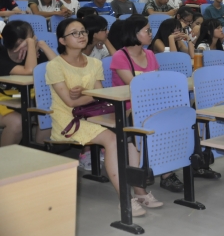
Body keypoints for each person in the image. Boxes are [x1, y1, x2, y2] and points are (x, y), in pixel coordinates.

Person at [47, 18, 163, 216]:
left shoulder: (94, 63)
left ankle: (140, 191)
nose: (81, 36)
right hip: (69, 120)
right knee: (112, 139)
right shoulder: (55, 65)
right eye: (74, 33)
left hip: (93, 114)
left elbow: (101, 95)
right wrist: (89, 94)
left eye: (83, 31)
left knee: (130, 133)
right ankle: (124, 199)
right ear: (62, 40)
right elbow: (70, 102)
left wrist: (85, 93)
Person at [109, 16, 192, 189]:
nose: (150, 33)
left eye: (150, 30)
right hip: (129, 107)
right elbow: (135, 86)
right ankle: (141, 172)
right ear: (134, 33)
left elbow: (157, 81)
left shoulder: (150, 54)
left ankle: (167, 172)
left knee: (175, 118)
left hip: (152, 104)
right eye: (146, 30)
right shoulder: (120, 56)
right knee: (148, 121)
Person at [0, 21, 57, 146]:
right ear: (21, 42)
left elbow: (60, 68)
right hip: (2, 101)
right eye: (31, 37)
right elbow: (30, 70)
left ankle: (38, 152)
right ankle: (5, 157)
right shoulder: (1, 55)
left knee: (48, 114)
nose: (35, 38)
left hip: (25, 99)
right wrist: (31, 45)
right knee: (17, 123)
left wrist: (42, 45)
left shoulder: (32, 54)